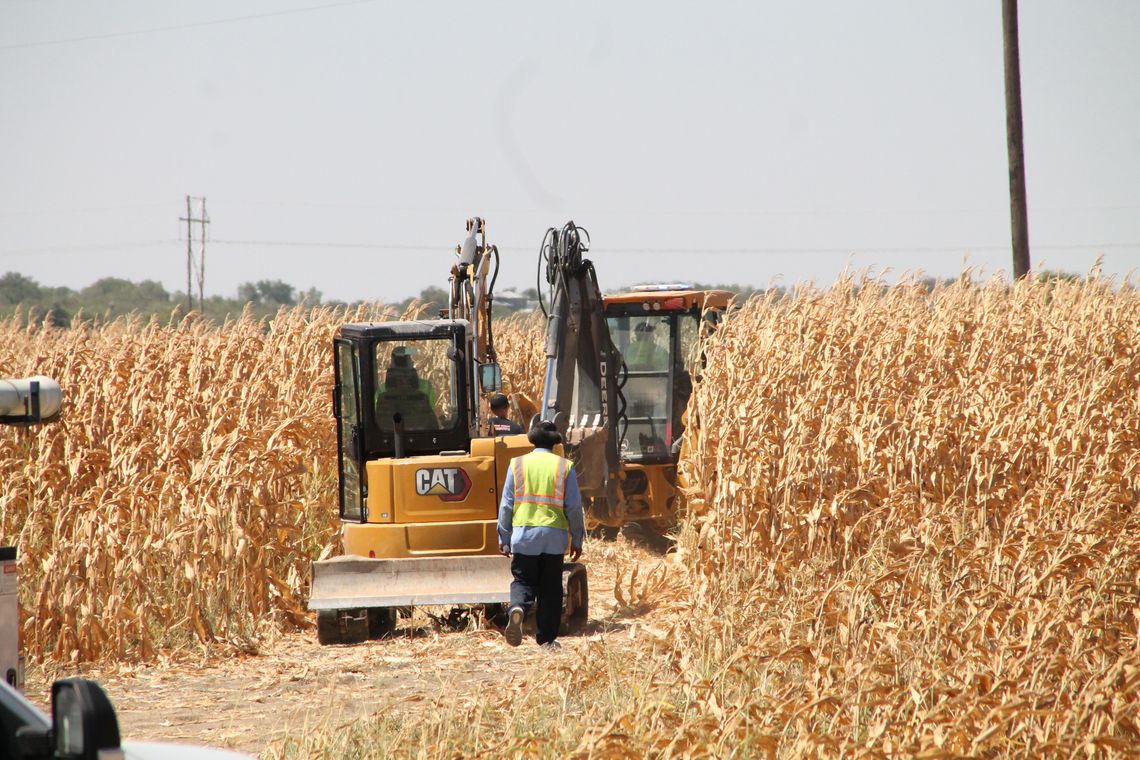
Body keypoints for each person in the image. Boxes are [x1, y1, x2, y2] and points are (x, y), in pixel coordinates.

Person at [497, 420, 584, 650]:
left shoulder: (516, 464)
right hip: (554, 537)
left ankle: (518, 608)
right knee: (550, 589)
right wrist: (577, 539)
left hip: (523, 536)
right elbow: (574, 508)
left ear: (533, 441)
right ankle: (546, 639)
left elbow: (506, 505)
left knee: (523, 580)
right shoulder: (564, 467)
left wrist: (504, 538)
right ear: (555, 444)